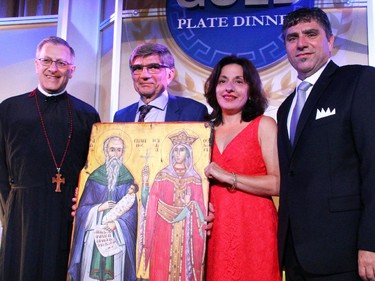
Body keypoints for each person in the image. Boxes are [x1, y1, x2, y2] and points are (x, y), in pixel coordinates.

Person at [277, 7, 375, 281]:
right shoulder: (285, 107)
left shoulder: (359, 81)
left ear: (330, 41)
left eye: (311, 34)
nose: (301, 43)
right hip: (296, 256)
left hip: (347, 254)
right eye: (292, 37)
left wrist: (371, 242)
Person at [0, 36, 100, 281]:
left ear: (72, 70)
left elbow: (93, 169)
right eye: (46, 61)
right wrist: (9, 209)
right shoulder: (9, 108)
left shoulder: (87, 114)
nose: (53, 69)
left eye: (61, 63)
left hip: (68, 214)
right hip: (22, 213)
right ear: (36, 64)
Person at [203, 55, 281, 281]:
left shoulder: (264, 125)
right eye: (222, 81)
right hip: (213, 231)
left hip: (254, 229)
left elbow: (278, 183)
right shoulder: (202, 129)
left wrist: (228, 177)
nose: (229, 88)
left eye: (239, 81)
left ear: (250, 90)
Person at [68, 136, 137, 281]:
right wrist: (99, 208)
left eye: (119, 150)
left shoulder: (128, 178)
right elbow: (81, 210)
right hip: (94, 235)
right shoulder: (94, 177)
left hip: (116, 236)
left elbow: (132, 212)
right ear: (106, 151)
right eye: (112, 150)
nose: (116, 154)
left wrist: (117, 224)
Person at [141, 130, 206, 281]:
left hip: (186, 231)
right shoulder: (162, 175)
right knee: (161, 268)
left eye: (181, 150)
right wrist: (145, 184)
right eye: (175, 150)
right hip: (162, 230)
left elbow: (201, 212)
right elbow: (149, 203)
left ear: (188, 154)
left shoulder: (195, 179)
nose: (177, 154)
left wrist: (190, 204)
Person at [113, 42, 208, 122]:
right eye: (138, 68)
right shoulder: (121, 117)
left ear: (170, 75)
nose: (144, 75)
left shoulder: (194, 112)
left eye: (153, 67)